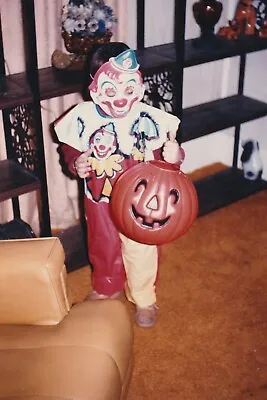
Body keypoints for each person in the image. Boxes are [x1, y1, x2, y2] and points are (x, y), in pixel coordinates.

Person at [54, 42, 185, 328]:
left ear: (138, 85)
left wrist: (175, 156)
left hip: (140, 200)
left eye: (128, 89)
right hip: (100, 196)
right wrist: (76, 162)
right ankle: (107, 286)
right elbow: (70, 148)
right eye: (112, 91)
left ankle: (143, 296)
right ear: (95, 89)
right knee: (103, 241)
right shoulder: (83, 118)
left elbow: (168, 156)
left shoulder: (149, 119)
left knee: (142, 247)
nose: (121, 98)